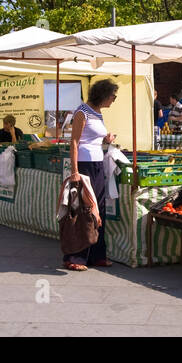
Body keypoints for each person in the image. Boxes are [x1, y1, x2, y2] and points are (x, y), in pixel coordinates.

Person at [64, 80, 119, 271]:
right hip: (84, 165)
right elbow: (74, 142)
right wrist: (74, 171)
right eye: (113, 95)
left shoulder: (97, 112)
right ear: (103, 95)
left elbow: (93, 136)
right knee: (82, 210)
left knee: (98, 209)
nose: (114, 99)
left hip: (97, 163)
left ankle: (97, 254)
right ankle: (75, 257)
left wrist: (106, 138)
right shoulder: (82, 112)